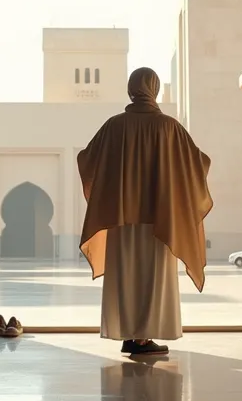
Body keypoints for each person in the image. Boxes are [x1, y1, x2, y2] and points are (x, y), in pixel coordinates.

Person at [77, 67, 214, 356]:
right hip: (160, 219)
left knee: (125, 276)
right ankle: (142, 339)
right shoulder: (169, 127)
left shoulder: (114, 126)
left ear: (131, 89)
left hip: (121, 218)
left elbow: (87, 159)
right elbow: (197, 162)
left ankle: (130, 334)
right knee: (153, 277)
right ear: (155, 89)